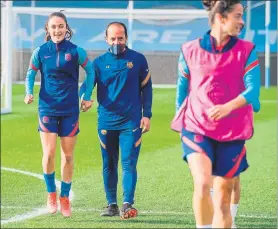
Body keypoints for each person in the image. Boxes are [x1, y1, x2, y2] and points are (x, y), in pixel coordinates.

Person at [171, 0, 261, 227]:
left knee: (222, 198)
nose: (242, 22)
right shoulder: (189, 50)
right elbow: (182, 91)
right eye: (237, 16)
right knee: (202, 183)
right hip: (196, 127)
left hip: (233, 130)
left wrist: (228, 107)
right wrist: (181, 123)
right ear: (221, 18)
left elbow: (253, 90)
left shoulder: (247, 50)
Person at [24, 11, 94, 217]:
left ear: (67, 29)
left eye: (61, 26)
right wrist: (29, 92)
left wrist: (87, 95)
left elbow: (91, 71)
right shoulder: (40, 51)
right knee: (49, 154)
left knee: (68, 156)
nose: (57, 30)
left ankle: (65, 197)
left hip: (70, 110)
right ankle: (51, 194)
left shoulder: (76, 51)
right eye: (53, 27)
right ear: (48, 29)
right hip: (47, 108)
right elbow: (31, 72)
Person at [80, 21, 152, 219]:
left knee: (128, 162)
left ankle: (127, 204)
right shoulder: (99, 63)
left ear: (126, 38)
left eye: (120, 38)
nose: (117, 42)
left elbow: (146, 88)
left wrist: (147, 115)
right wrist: (84, 97)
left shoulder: (138, 60)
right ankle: (112, 204)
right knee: (109, 163)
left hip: (131, 121)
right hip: (106, 121)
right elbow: (87, 85)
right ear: (106, 39)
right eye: (113, 38)